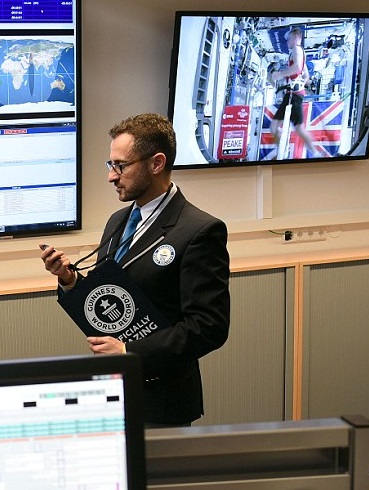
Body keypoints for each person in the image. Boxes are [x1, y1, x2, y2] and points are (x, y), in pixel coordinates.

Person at [40, 113, 230, 427]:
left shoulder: (199, 230)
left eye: (121, 166)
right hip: (115, 393)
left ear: (156, 163)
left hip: (163, 401)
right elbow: (112, 295)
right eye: (109, 165)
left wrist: (130, 351)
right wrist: (69, 279)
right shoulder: (118, 221)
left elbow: (208, 327)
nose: (111, 177)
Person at [269, 27, 316, 158]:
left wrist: (280, 74)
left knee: (299, 129)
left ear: (296, 38)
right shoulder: (298, 53)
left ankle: (316, 153)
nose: (288, 42)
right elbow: (306, 75)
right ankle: (282, 153)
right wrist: (299, 83)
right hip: (291, 94)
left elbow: (297, 68)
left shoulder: (297, 49)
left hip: (294, 96)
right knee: (274, 127)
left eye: (289, 39)